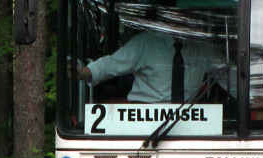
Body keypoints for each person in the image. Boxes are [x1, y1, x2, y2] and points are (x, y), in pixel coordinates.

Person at [72, 28, 229, 104]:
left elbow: (229, 74)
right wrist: (84, 72)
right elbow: (113, 63)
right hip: (144, 119)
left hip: (188, 121)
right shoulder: (146, 42)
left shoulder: (203, 47)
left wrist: (251, 94)